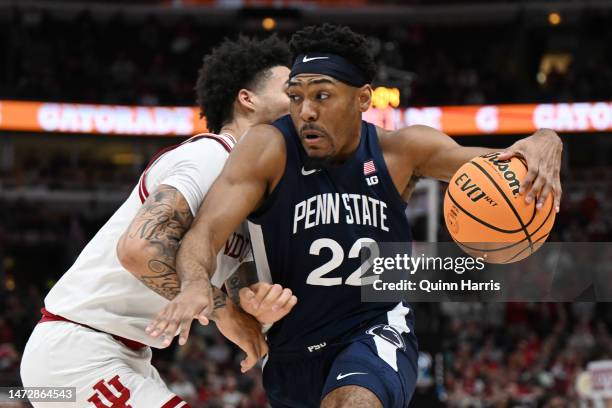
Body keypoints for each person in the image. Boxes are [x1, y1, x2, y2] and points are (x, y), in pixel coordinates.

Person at [148, 24, 563, 408]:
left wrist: (547, 139)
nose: (305, 110)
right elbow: (203, 234)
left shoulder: (402, 151)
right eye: (296, 97)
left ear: (363, 98)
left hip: (375, 328)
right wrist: (195, 284)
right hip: (292, 350)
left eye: (322, 96)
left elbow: (506, 167)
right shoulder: (267, 148)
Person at [20, 35, 296, 408]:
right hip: (77, 351)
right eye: (291, 90)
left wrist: (256, 308)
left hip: (122, 355)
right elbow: (139, 249)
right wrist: (225, 313)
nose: (303, 102)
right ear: (247, 99)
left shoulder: (253, 190)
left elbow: (233, 289)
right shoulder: (212, 156)